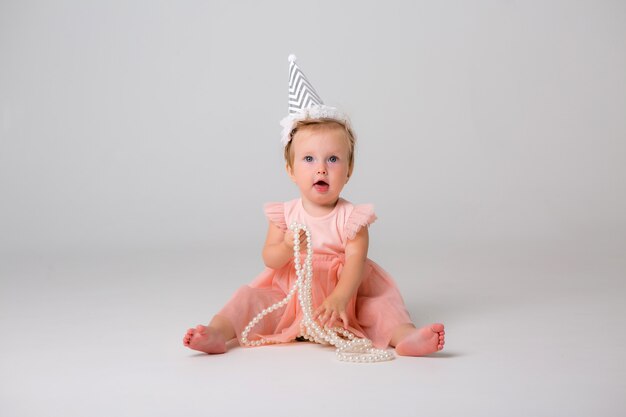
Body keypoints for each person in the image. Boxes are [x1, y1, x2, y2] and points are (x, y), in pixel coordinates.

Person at [183, 55, 445, 357]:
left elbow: (355, 267)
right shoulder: (284, 215)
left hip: (346, 299)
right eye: (309, 159)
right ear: (291, 170)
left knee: (382, 307)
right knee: (247, 297)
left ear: (349, 170)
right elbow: (269, 259)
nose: (321, 169)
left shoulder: (352, 219)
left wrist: (338, 297)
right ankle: (217, 333)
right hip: (291, 295)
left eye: (332, 159)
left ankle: (406, 338)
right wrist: (285, 245)